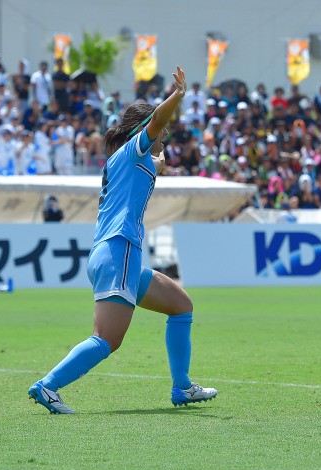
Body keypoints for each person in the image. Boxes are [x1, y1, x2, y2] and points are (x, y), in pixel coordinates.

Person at [28, 66, 217, 414]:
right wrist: (176, 96)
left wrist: (159, 160)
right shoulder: (134, 149)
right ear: (145, 129)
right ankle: (48, 385)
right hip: (120, 249)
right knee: (107, 339)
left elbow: (152, 159)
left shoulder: (126, 158)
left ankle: (182, 387)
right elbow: (155, 125)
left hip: (111, 252)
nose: (165, 139)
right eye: (163, 133)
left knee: (180, 305)